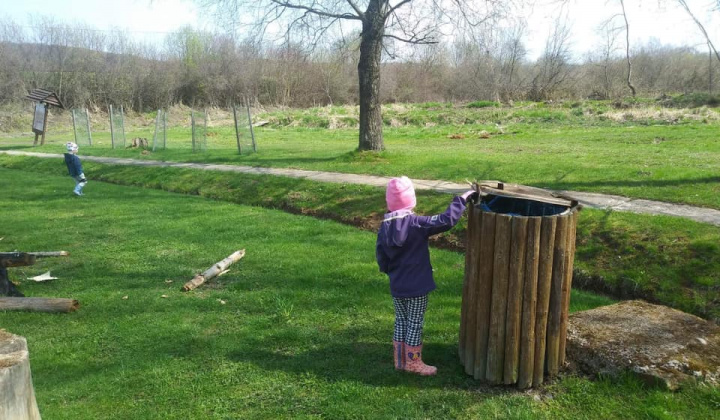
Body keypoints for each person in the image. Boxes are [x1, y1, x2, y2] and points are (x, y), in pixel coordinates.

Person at [376, 176, 475, 376]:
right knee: (415, 323)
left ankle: (400, 360)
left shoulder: (384, 228)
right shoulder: (417, 224)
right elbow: (445, 220)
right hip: (418, 287)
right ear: (410, 200)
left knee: (401, 320)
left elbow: (381, 257)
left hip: (397, 286)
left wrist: (392, 272)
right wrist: (462, 199)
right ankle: (413, 363)